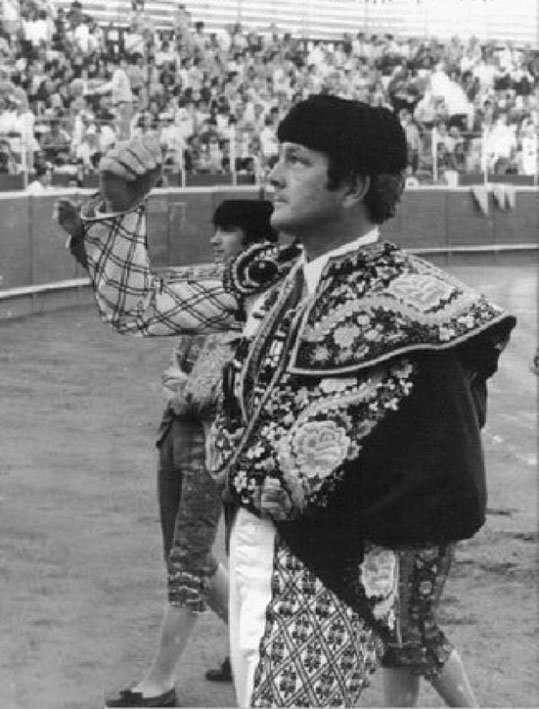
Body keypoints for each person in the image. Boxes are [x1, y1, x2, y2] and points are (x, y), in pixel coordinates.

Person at [57, 101, 515, 708]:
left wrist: (350, 543)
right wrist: (122, 205)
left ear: (352, 185)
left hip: (330, 568)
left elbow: (447, 484)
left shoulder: (416, 304)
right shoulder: (268, 275)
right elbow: (138, 308)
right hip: (248, 541)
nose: (272, 175)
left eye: (296, 160)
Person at [54, 189, 279, 708]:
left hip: (215, 441)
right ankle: (250, 645)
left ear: (254, 239)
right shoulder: (222, 284)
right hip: (180, 433)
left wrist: (186, 385)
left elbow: (203, 388)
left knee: (187, 558)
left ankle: (160, 681)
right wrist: (82, 238)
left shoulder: (262, 294)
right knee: (187, 558)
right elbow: (145, 293)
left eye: (225, 230)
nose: (214, 239)